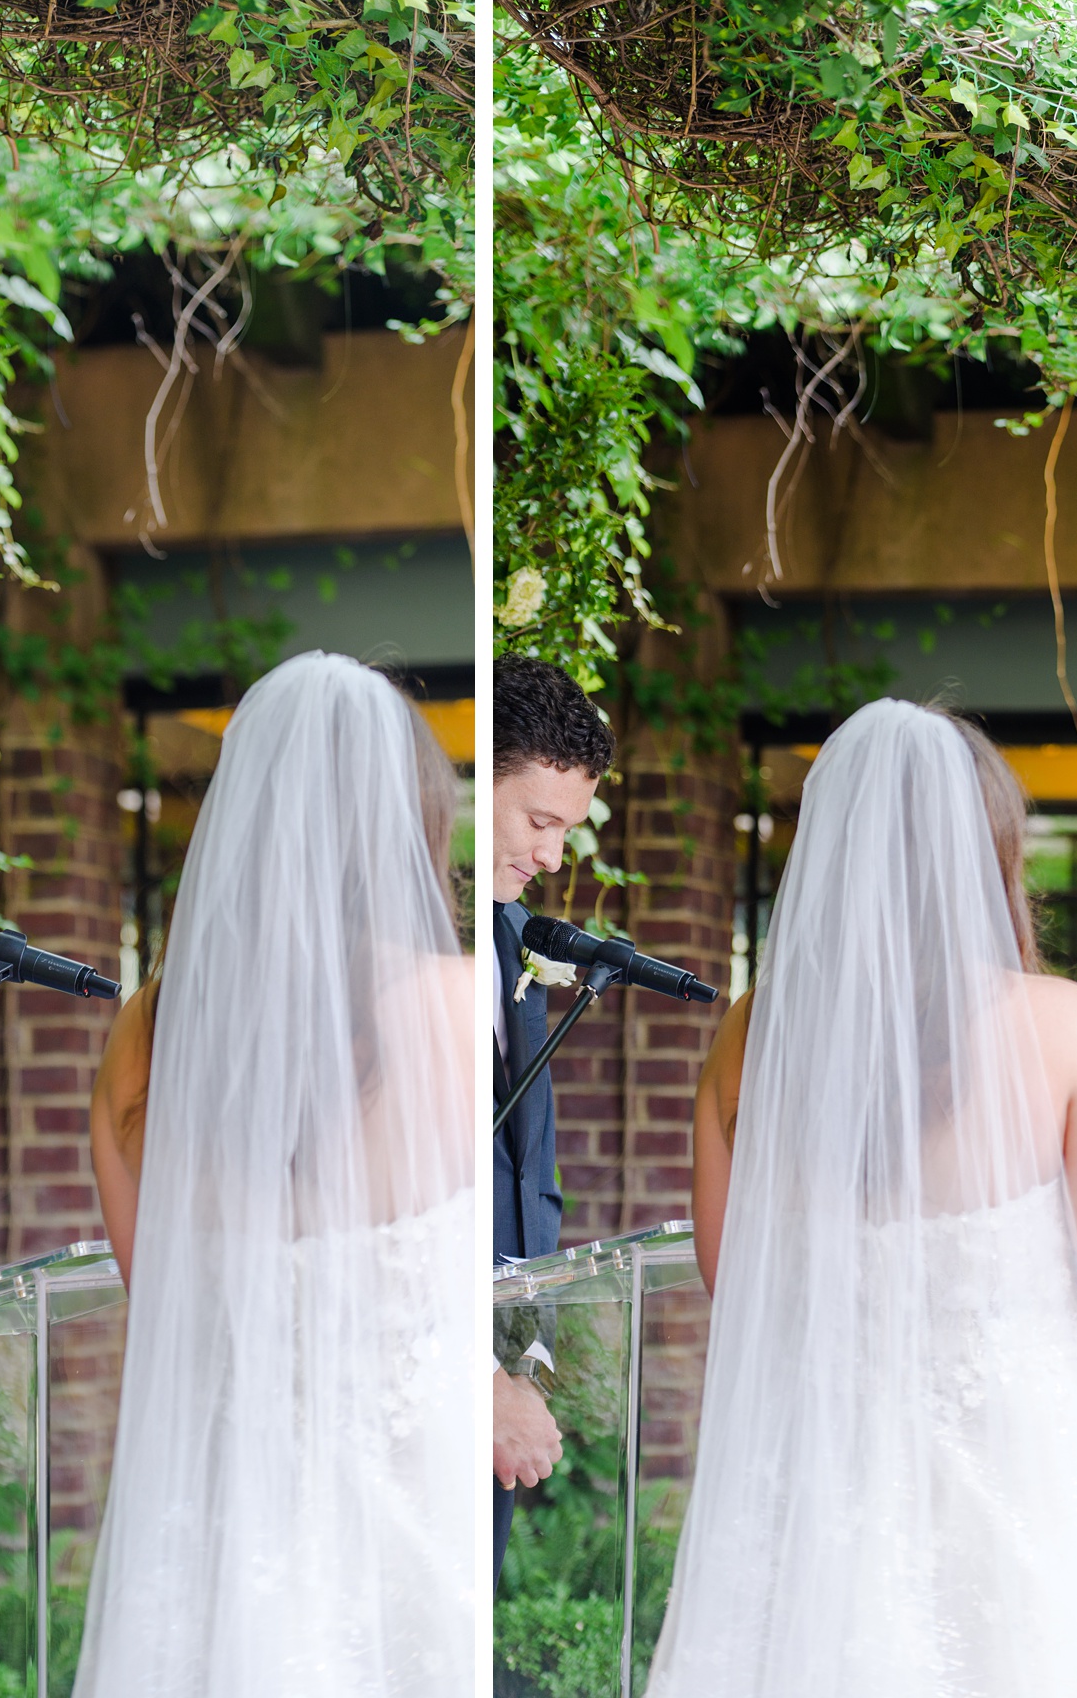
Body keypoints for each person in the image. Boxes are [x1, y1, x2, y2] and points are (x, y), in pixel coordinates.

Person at [652, 700, 1077, 1697]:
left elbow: (734, 1278)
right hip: (1024, 1493)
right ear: (990, 854)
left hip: (814, 1504)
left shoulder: (750, 1037)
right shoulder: (1062, 1027)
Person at [73, 652, 473, 1697]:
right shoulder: (458, 1011)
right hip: (407, 1527)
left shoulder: (145, 1038)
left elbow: (158, 1302)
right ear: (407, 825)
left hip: (217, 1532)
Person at [488, 654, 612, 1580]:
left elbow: (531, 1173)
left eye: (566, 830)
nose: (551, 857)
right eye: (538, 821)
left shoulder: (513, 941)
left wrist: (520, 1361)